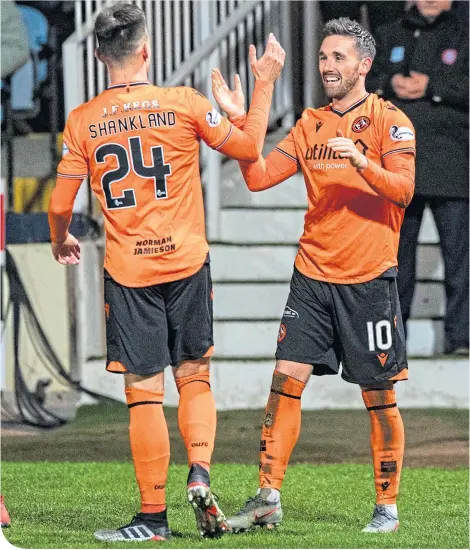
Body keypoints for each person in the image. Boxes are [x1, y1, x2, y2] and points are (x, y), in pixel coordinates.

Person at [47, 3, 285, 542]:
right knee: (195, 374)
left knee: (143, 390)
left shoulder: (83, 120)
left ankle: (152, 518)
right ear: (147, 50)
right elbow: (249, 148)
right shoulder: (185, 103)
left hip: (130, 271)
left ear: (99, 53)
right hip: (187, 262)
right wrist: (258, 88)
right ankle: (199, 471)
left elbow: (61, 204)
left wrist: (60, 238)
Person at [212, 17, 415, 534]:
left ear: (364, 65)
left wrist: (363, 164)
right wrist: (241, 124)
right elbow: (257, 178)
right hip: (312, 276)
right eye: (323, 57)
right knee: (284, 382)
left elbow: (405, 191)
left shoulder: (390, 122)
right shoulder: (308, 124)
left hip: (370, 280)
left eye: (338, 58)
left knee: (379, 396)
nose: (328, 66)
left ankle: (386, 506)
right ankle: (267, 496)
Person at [367, 0, 469, 355]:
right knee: (396, 263)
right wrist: (389, 83)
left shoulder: (464, 33)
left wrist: (432, 87)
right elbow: (364, 84)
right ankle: (394, 341)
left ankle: (461, 339)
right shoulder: (388, 33)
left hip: (454, 166)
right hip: (398, 168)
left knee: (460, 261)